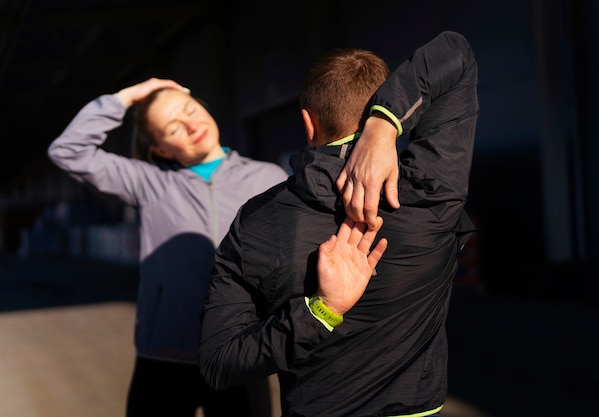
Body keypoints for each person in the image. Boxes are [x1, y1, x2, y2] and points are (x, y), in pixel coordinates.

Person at [198, 30, 479, 417]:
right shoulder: (432, 191)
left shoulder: (256, 222)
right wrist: (384, 124)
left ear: (307, 123)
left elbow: (220, 363)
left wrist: (320, 312)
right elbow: (455, 52)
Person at [47, 78, 288, 417]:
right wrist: (126, 98)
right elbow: (67, 151)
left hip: (240, 352)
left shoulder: (268, 178)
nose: (191, 126)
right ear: (160, 149)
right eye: (173, 127)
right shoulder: (148, 181)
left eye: (191, 110)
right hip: (163, 357)